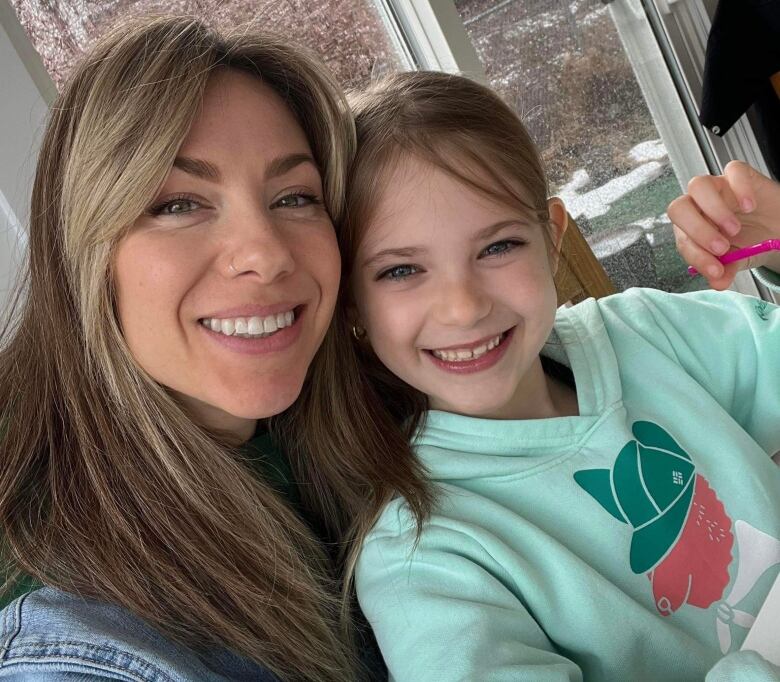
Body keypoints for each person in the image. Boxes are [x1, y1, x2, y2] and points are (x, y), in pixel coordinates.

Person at [0, 15, 424, 681]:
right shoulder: (77, 635)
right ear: (84, 254)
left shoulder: (386, 415)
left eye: (294, 196)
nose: (265, 253)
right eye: (178, 205)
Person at [335, 71, 780, 681]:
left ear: (553, 236)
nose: (463, 307)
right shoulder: (421, 552)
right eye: (401, 270)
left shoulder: (644, 334)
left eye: (497, 247)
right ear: (351, 303)